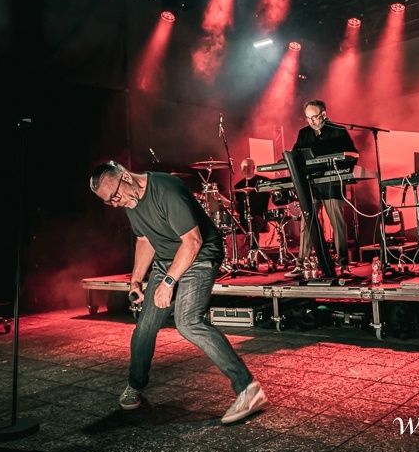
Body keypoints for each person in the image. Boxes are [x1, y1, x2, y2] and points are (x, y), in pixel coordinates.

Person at [89, 160, 267, 423]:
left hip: (200, 255)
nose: (115, 204)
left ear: (126, 178)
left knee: (188, 322)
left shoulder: (167, 189)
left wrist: (168, 283)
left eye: (115, 197)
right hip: (166, 260)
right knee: (145, 326)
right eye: (109, 202)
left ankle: (248, 389)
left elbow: (193, 242)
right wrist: (136, 281)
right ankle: (135, 385)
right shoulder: (130, 200)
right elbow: (144, 239)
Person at [284, 99, 359, 279]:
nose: (311, 121)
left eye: (314, 117)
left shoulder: (338, 131)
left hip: (331, 183)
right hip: (311, 184)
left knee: (337, 223)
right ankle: (302, 264)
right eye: (308, 118)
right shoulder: (304, 133)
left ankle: (343, 264)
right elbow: (294, 156)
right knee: (307, 223)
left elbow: (353, 154)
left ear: (324, 114)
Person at [233, 158, 272, 267]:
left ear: (253, 167)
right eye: (243, 167)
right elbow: (236, 205)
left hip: (260, 216)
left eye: (248, 166)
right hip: (243, 218)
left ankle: (253, 255)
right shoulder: (238, 186)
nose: (245, 169)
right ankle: (233, 259)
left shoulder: (263, 181)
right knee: (227, 226)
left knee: (253, 224)